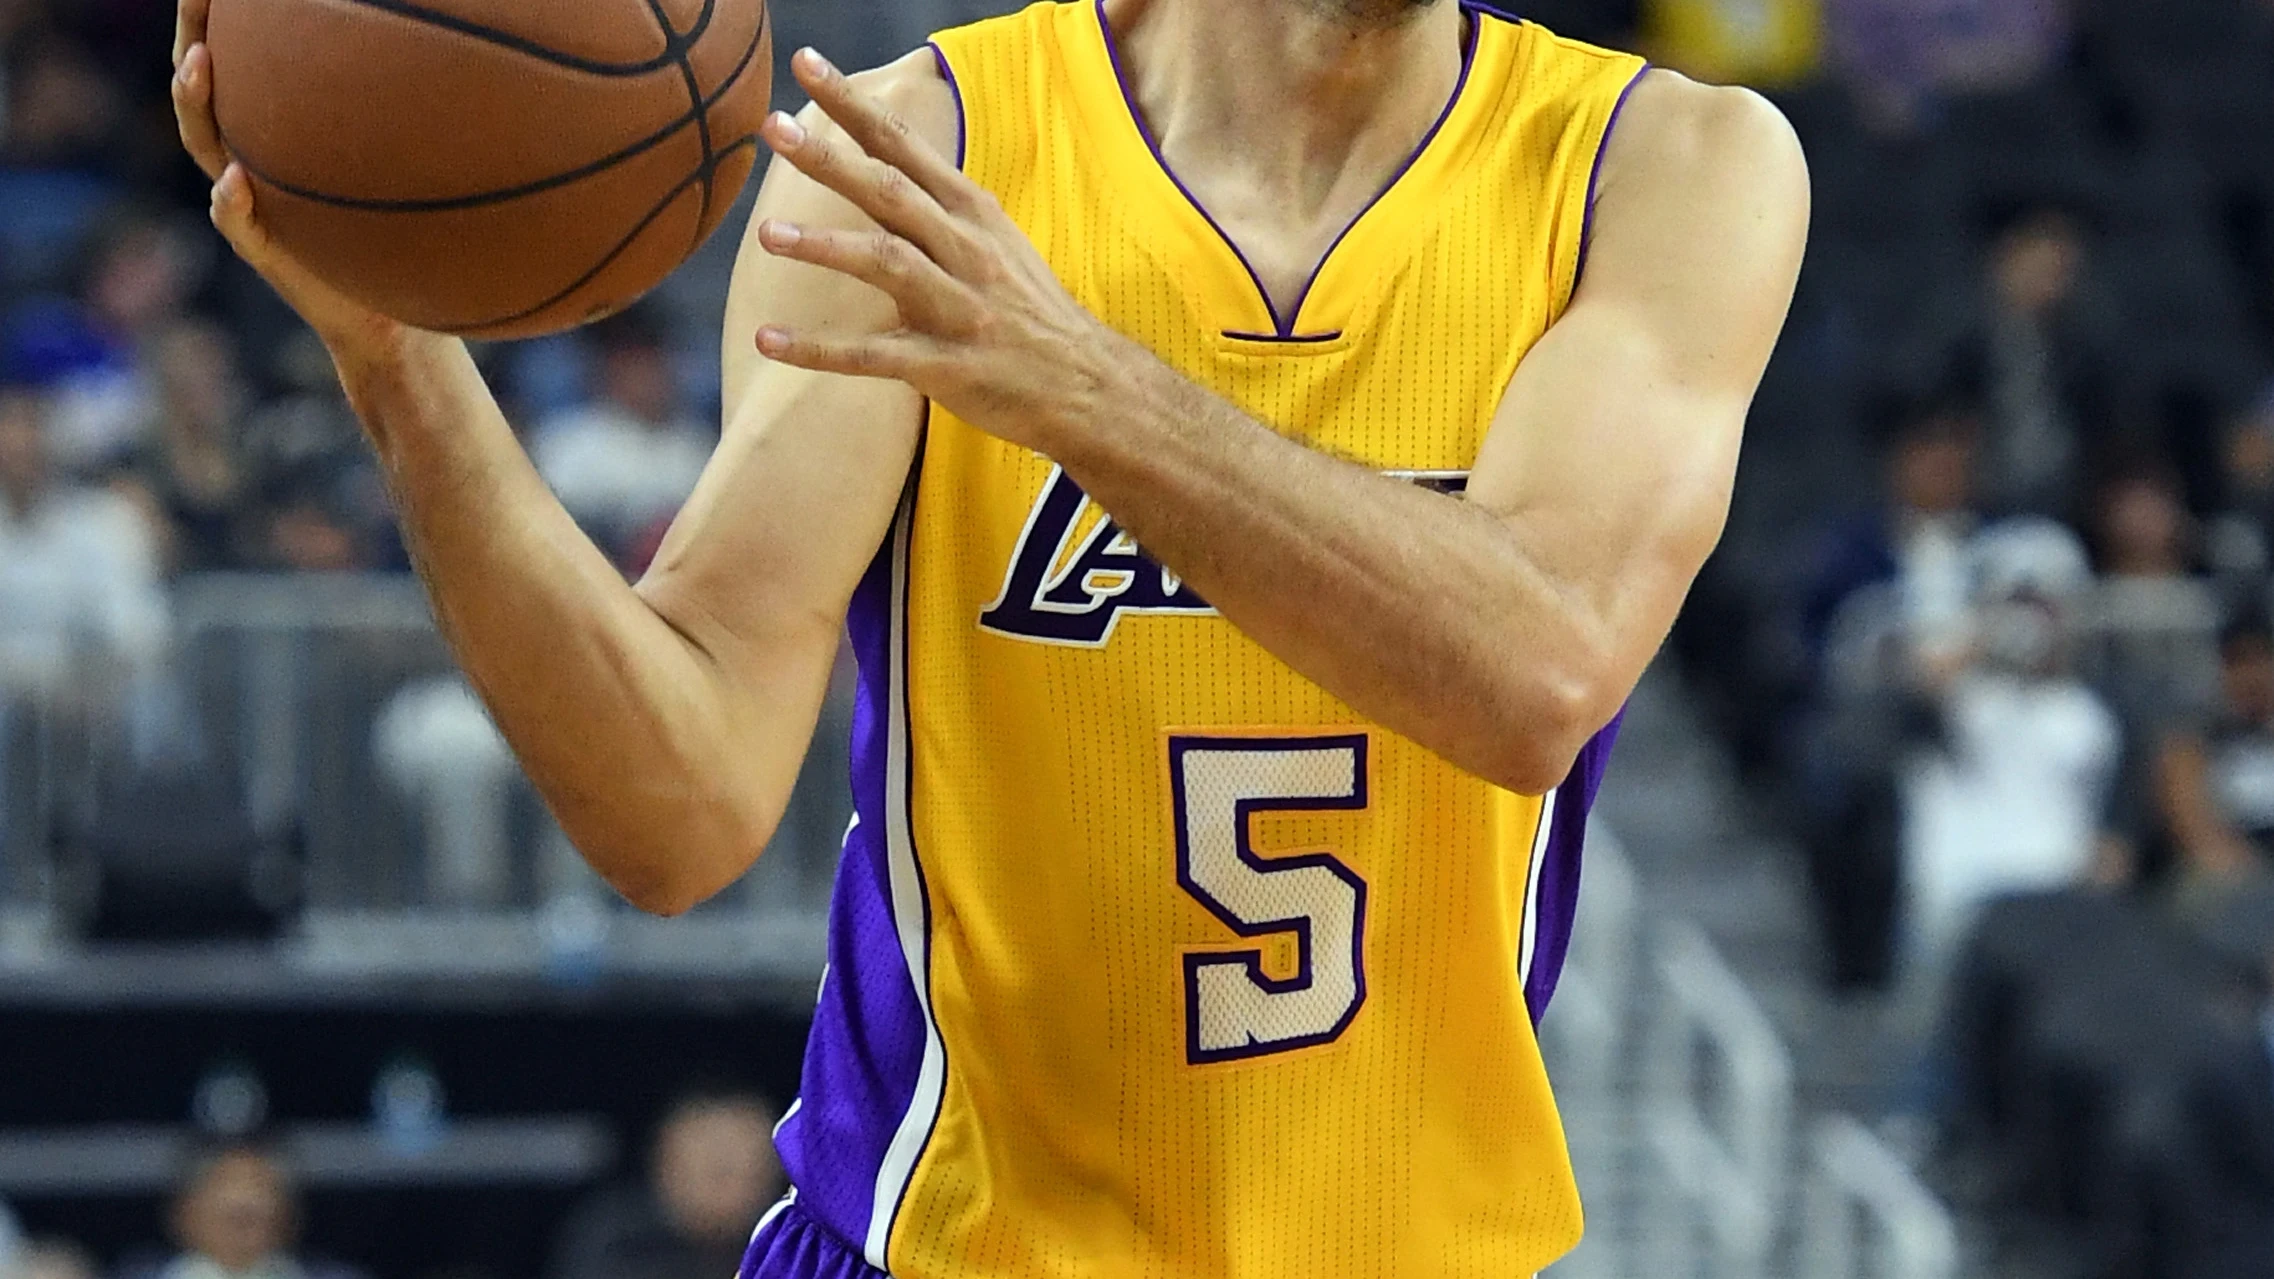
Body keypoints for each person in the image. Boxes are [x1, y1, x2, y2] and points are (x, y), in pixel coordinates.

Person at [171, 0, 1807, 1272]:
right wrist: (393, 360)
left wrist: (1083, 385)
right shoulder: (916, 153)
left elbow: (1534, 668)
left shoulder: (1663, 170)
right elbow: (674, 811)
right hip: (936, 1237)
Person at [529, 307, 715, 570]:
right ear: (611, 372)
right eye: (634, 368)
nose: (646, 379)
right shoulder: (570, 440)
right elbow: (552, 529)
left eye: (653, 366)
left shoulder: (695, 443)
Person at [550, 1088, 785, 1279]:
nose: (722, 1188)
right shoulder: (616, 1244)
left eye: (734, 1171)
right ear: (664, 1164)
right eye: (711, 1169)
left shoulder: (801, 1248)